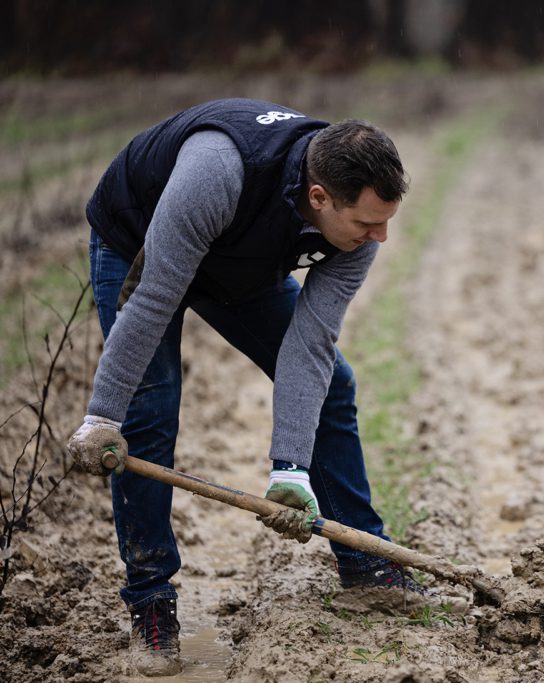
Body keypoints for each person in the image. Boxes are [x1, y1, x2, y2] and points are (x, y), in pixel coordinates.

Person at [65, 99, 424, 676]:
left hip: (239, 260)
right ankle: (151, 602)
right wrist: (103, 415)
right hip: (142, 245)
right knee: (149, 414)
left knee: (333, 386)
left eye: (387, 220)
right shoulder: (218, 170)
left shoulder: (358, 230)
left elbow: (309, 346)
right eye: (366, 223)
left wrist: (290, 469)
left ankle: (365, 563)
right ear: (319, 199)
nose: (381, 235)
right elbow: (155, 296)